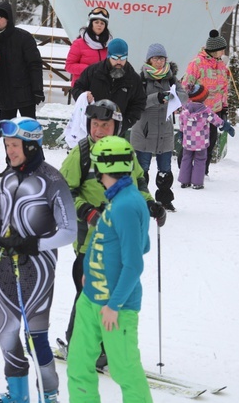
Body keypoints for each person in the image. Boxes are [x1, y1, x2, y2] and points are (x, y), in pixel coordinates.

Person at [0, 117, 77, 403]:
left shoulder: (52, 181)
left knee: (35, 338)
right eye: (7, 144)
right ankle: (18, 396)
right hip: (6, 266)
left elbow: (70, 232)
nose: (10, 150)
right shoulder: (8, 178)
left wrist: (32, 244)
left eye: (15, 145)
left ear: (31, 145)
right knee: (5, 332)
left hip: (38, 270)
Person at [66, 135, 156, 403]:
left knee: (125, 373)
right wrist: (88, 272)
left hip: (115, 309)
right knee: (79, 367)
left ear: (100, 167)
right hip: (90, 299)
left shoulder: (128, 204)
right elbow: (109, 241)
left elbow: (134, 262)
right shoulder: (116, 199)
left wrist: (114, 304)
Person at [59, 100, 163, 347]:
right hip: (88, 242)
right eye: (94, 124)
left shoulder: (124, 150)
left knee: (111, 297)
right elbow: (63, 192)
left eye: (105, 125)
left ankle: (106, 346)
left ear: (116, 126)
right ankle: (77, 344)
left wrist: (150, 204)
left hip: (116, 242)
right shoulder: (82, 153)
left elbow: (137, 183)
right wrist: (87, 212)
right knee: (87, 295)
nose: (98, 130)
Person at [130, 43, 187, 212]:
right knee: (142, 169)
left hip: (165, 130)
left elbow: (184, 96)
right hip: (144, 131)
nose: (159, 62)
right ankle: (141, 200)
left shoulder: (172, 78)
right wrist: (157, 97)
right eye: (155, 58)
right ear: (149, 60)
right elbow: (137, 102)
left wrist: (174, 97)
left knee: (165, 170)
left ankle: (164, 200)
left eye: (162, 58)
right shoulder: (140, 78)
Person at [69, 38, 145, 136]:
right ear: (108, 56)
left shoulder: (133, 78)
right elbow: (77, 88)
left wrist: (124, 123)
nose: (119, 62)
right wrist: (84, 96)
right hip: (93, 129)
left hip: (117, 132)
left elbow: (139, 103)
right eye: (115, 58)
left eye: (122, 58)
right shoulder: (93, 72)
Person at [181, 29, 230, 175]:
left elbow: (224, 88)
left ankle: (203, 171)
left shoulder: (221, 65)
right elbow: (186, 86)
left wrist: (224, 108)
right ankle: (185, 170)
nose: (223, 53)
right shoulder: (196, 63)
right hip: (197, 112)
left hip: (214, 111)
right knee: (191, 143)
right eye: (221, 50)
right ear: (214, 50)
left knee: (209, 143)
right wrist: (188, 107)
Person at [0, 1, 44, 119]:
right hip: (4, 97)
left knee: (29, 134)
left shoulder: (23, 38)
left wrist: (37, 89)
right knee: (8, 135)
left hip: (25, 95)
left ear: (8, 18)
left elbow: (35, 65)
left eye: (0, 17)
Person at [178, 85, 236, 189]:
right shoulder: (206, 112)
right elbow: (217, 121)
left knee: (186, 158)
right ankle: (197, 183)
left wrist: (181, 133)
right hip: (201, 142)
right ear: (203, 98)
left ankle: (184, 181)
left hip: (188, 141)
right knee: (200, 160)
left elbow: (181, 123)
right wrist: (226, 127)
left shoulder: (185, 111)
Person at [65, 7, 112, 87]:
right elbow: (69, 66)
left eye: (102, 23)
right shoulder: (79, 43)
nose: (99, 25)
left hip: (102, 87)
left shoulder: (108, 44)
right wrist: (89, 69)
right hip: (82, 86)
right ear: (91, 23)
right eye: (96, 22)